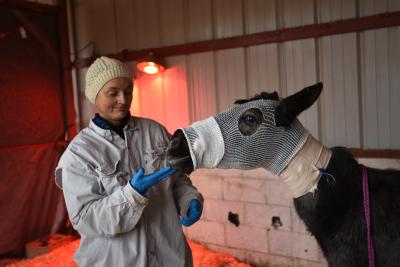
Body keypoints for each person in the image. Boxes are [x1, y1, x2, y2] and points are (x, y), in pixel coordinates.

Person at [55, 56, 203, 267]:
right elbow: (85, 219)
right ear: (94, 95)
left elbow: (177, 180)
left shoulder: (155, 132)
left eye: (128, 91)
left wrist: (189, 199)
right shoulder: (80, 153)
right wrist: (132, 195)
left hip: (169, 257)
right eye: (112, 92)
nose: (123, 100)